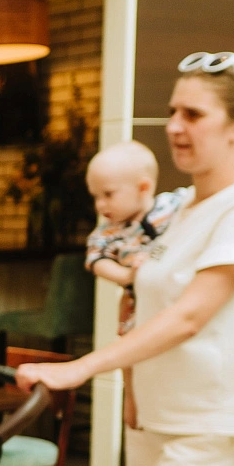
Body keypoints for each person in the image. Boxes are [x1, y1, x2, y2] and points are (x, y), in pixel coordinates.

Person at [18, 51, 234, 466]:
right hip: (158, 413)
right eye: (173, 112)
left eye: (193, 114)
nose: (174, 126)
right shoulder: (180, 207)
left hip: (211, 420)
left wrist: (80, 369)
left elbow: (189, 316)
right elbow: (142, 304)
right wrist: (134, 392)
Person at [85, 140, 187, 333]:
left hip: (176, 296)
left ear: (143, 188)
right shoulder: (107, 232)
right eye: (96, 196)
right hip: (139, 305)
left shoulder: (172, 204)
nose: (100, 204)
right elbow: (97, 261)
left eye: (108, 194)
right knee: (137, 341)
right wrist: (127, 276)